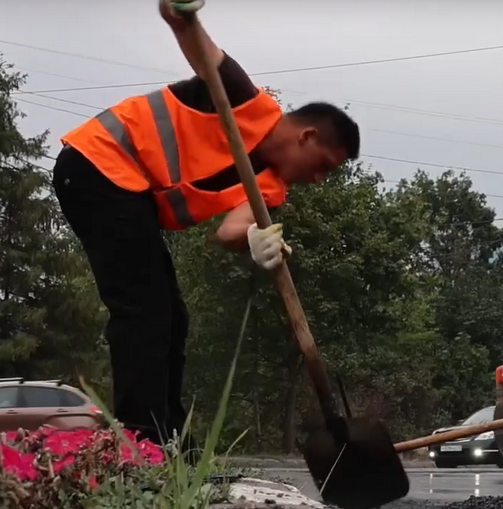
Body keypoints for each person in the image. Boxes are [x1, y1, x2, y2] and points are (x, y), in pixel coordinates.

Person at [52, 0, 360, 445]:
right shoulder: (244, 100)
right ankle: (144, 442)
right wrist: (181, 12)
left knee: (172, 315)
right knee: (144, 308)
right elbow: (193, 40)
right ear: (307, 136)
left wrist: (255, 239)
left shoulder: (270, 186)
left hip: (127, 192)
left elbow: (228, 231)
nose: (318, 179)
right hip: (98, 164)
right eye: (322, 166)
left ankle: (168, 435)